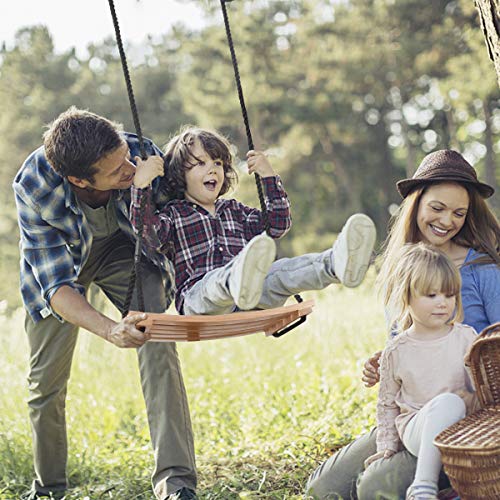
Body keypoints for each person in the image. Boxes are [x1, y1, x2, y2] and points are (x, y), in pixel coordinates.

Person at [13, 107, 197, 500]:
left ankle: (176, 483)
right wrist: (111, 330)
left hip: (123, 250)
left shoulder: (137, 154)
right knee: (45, 383)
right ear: (78, 178)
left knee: (157, 344)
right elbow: (57, 285)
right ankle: (49, 489)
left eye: (127, 159)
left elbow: (190, 211)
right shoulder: (34, 185)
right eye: (117, 171)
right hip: (63, 264)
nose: (129, 169)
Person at [306, 149, 500, 499]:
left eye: (459, 212)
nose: (447, 220)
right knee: (325, 488)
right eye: (437, 208)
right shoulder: (399, 269)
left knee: (374, 488)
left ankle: (448, 484)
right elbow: (410, 339)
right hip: (412, 412)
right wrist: (384, 361)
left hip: (463, 417)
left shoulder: (482, 270)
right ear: (417, 203)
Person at [130, 126, 377, 316]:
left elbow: (277, 224)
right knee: (215, 283)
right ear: (179, 174)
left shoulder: (235, 211)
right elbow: (149, 236)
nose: (213, 169)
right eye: (200, 163)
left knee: (282, 272)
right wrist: (141, 186)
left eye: (217, 163)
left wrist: (268, 176)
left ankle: (336, 264)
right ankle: (237, 277)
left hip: (251, 297)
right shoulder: (174, 215)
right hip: (200, 297)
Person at [364, 243, 478, 500]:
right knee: (448, 403)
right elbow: (387, 404)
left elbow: (479, 387)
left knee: (455, 403)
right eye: (431, 295)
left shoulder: (466, 337)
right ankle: (422, 487)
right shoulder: (397, 350)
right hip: (417, 429)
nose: (443, 304)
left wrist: (475, 401)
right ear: (407, 296)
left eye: (449, 295)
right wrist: (386, 447)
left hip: (460, 428)